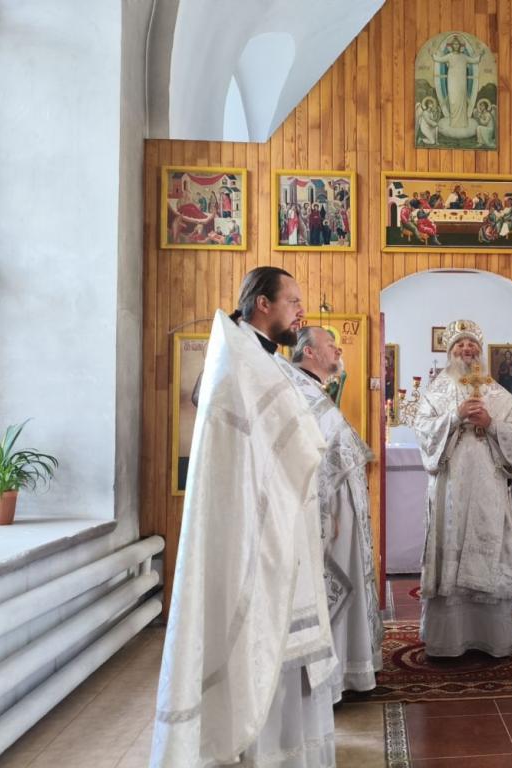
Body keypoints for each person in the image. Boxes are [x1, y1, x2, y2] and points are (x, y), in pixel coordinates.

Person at [152, 266, 337, 768]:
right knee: (257, 632)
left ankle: (283, 753)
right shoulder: (239, 360)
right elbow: (288, 442)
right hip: (254, 523)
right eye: (292, 301)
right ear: (262, 304)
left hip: (278, 515)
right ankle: (262, 753)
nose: (301, 311)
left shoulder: (257, 357)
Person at [412, 319, 512, 657]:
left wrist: (491, 424)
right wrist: (455, 416)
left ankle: (493, 640)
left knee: (488, 548)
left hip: (489, 486)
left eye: (472, 344)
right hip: (450, 489)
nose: (467, 349)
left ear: (480, 351)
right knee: (450, 549)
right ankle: (448, 642)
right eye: (460, 345)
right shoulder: (437, 391)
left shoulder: (499, 394)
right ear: (450, 352)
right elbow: (422, 429)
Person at [288, 327, 384, 703]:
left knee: (350, 583)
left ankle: (350, 668)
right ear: (310, 352)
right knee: (335, 585)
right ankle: (333, 678)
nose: (338, 350)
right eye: (331, 345)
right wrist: (326, 510)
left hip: (340, 508)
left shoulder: (312, 389)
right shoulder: (298, 389)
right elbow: (308, 456)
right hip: (328, 512)